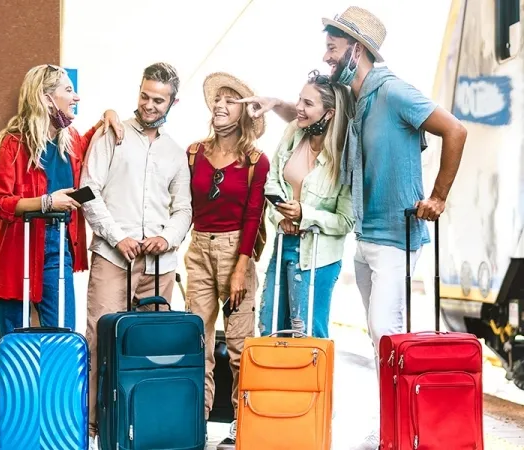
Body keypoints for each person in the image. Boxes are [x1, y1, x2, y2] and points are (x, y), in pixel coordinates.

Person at [238, 6, 467, 449]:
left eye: (332, 47)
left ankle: (398, 431)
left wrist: (438, 197)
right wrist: (278, 104)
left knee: (386, 332)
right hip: (366, 237)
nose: (326, 56)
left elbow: (455, 131)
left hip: (397, 235)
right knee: (380, 337)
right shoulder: (355, 98)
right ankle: (391, 429)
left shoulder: (394, 91)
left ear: (356, 50)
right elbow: (315, 116)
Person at [80, 62, 192, 450]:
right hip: (113, 259)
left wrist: (167, 238)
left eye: (158, 100)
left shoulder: (176, 153)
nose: (148, 105)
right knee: (100, 341)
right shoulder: (111, 136)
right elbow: (87, 191)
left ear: (173, 102)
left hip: (159, 266)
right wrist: (117, 237)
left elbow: (184, 209)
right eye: (145, 96)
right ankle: (91, 428)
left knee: (152, 349)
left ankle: (144, 426)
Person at [0, 63, 122, 338]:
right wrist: (46, 202)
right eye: (68, 90)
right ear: (47, 99)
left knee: (63, 337)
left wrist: (109, 114)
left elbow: (88, 145)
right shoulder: (14, 143)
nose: (76, 97)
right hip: (17, 250)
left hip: (58, 249)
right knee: (15, 343)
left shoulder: (70, 141)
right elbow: (0, 202)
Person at [183, 72, 269, 450]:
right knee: (197, 342)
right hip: (200, 248)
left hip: (238, 250)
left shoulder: (255, 161)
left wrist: (240, 268)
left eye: (229, 101)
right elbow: (184, 206)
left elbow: (253, 215)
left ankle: (241, 422)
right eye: (217, 100)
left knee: (239, 347)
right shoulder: (194, 154)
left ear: (244, 112)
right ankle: (197, 420)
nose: (219, 105)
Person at [259, 70, 354, 340]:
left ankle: (314, 371)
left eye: (308, 103)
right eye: (299, 100)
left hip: (318, 256)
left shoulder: (345, 157)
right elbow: (272, 182)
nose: (298, 108)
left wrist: (304, 215)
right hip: (283, 245)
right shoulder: (293, 132)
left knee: (308, 334)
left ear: (329, 113)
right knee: (270, 328)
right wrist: (282, 216)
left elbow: (346, 221)